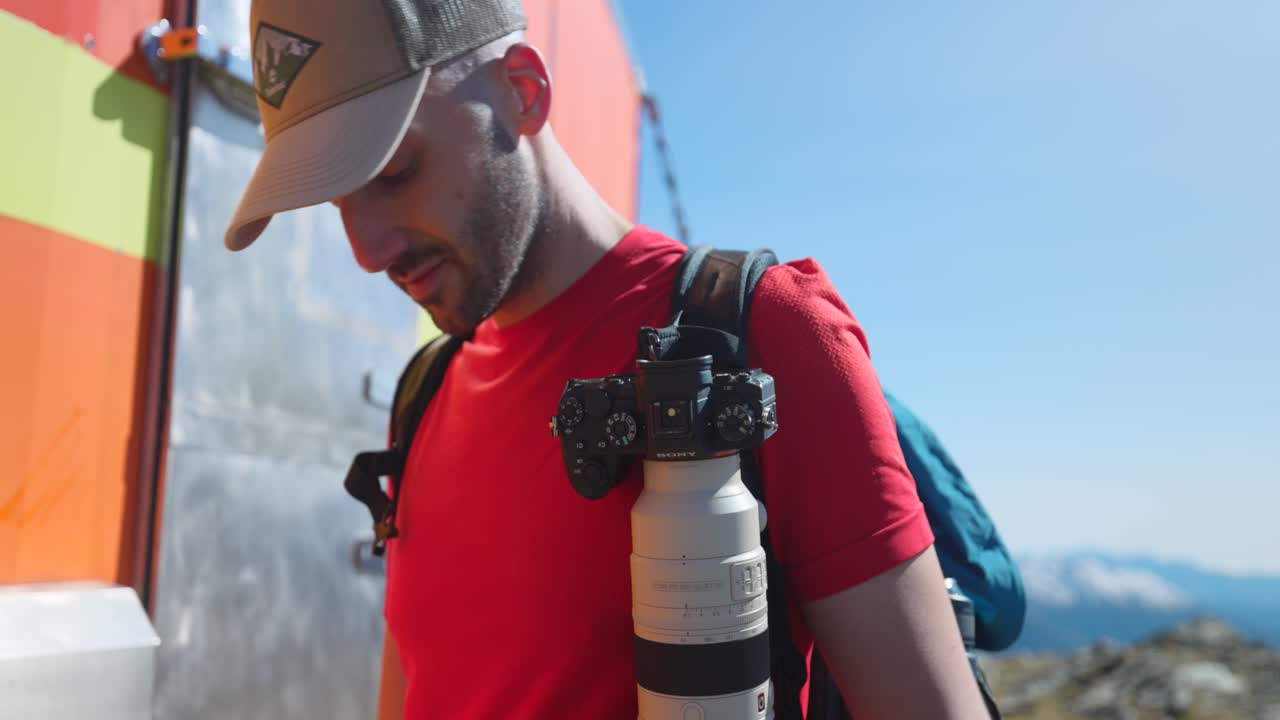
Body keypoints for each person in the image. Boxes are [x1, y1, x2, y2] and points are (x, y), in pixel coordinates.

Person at [225, 1, 992, 718]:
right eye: (335, 198)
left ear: (524, 92)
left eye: (394, 171)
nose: (367, 251)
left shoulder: (765, 337)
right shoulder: (425, 391)